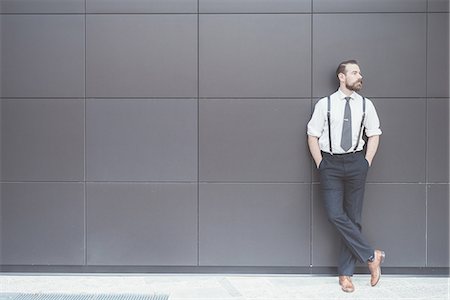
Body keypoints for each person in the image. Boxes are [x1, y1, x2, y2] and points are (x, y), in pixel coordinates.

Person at [307, 60, 385, 293]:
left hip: (356, 163)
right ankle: (372, 256)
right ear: (342, 77)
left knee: (353, 218)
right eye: (354, 72)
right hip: (330, 162)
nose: (359, 76)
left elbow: (374, 134)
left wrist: (366, 162)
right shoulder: (325, 104)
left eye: (359, 72)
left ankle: (345, 274)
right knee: (335, 215)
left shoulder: (365, 105)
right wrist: (321, 163)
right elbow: (312, 135)